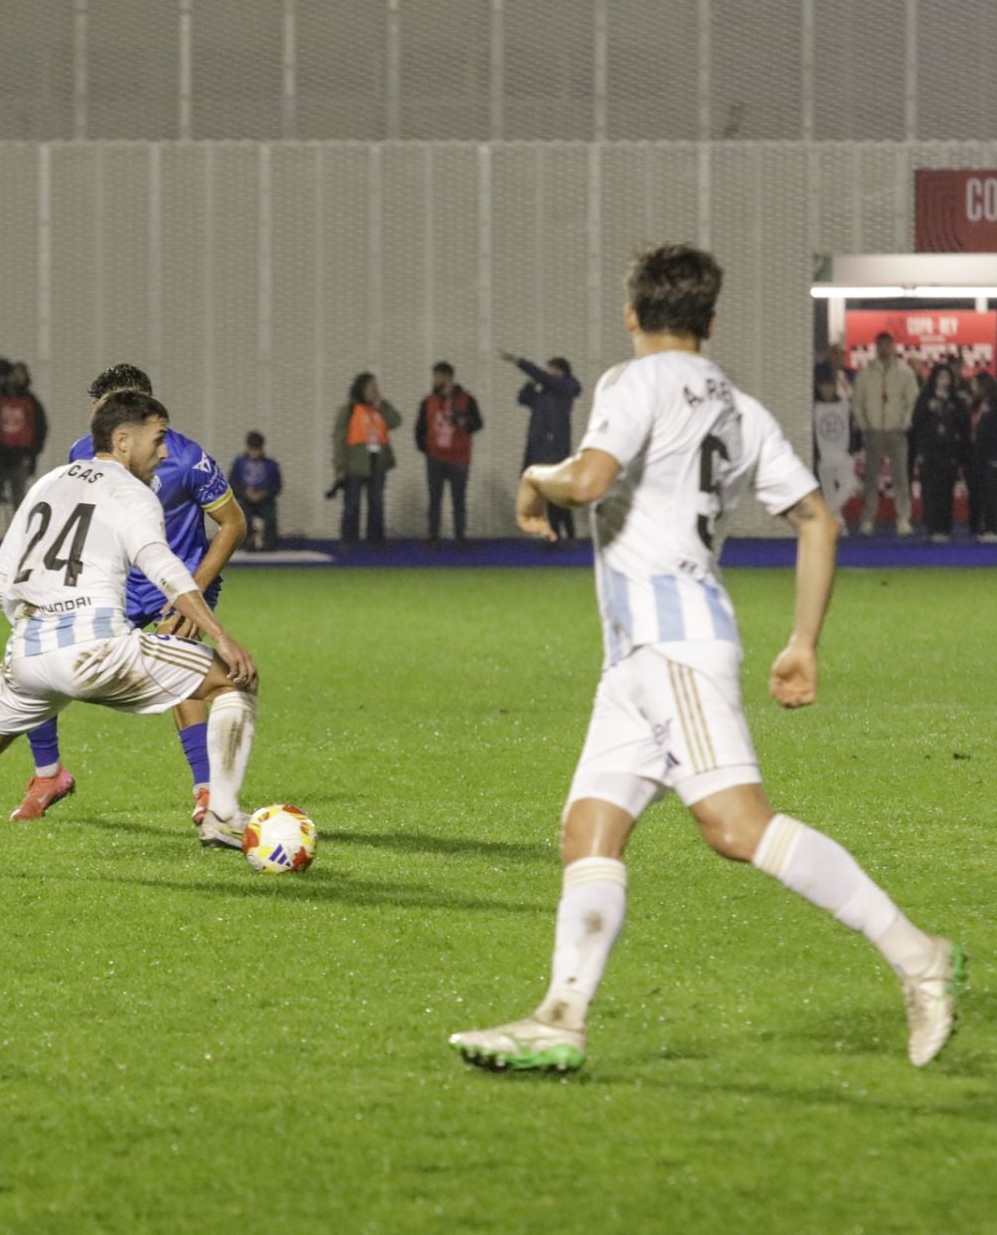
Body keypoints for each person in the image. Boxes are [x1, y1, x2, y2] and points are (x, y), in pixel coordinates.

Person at [448, 243, 961, 1074]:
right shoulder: (742, 407)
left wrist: (533, 477)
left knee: (734, 826)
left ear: (631, 315)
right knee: (589, 830)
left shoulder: (631, 382)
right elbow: (819, 522)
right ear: (711, 321)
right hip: (640, 656)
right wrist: (802, 642)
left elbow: (586, 480)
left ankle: (918, 956)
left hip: (671, 639)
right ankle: (560, 1019)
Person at [0, 390, 261, 872]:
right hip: (97, 650)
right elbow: (163, 567)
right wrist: (220, 634)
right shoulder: (134, 493)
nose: (163, 452)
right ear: (122, 440)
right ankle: (221, 813)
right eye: (157, 440)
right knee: (232, 680)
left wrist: (32, 631)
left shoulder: (49, 481)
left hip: (29, 653)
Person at [13, 365, 247, 829]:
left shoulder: (187, 459)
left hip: (174, 588)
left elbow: (234, 524)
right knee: (36, 656)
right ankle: (49, 775)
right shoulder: (83, 452)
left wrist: (193, 592)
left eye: (102, 408)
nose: (96, 418)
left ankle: (206, 793)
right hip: (112, 585)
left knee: (185, 676)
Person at [0, 361, 50, 553]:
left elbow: (40, 429)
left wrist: (33, 455)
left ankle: (20, 543)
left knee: (19, 501)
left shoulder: (31, 401)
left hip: (19, 458)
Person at [505, 351, 584, 540]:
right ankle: (555, 534)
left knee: (558, 493)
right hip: (539, 448)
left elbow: (546, 379)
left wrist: (520, 361)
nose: (546, 374)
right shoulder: (544, 393)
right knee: (546, 495)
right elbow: (523, 398)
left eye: (550, 370)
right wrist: (531, 383)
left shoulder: (566, 387)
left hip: (555, 449)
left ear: (560, 371)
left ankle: (568, 534)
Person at [852, 332, 918, 536]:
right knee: (871, 478)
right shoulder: (866, 373)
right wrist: (865, 425)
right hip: (874, 432)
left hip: (897, 431)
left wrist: (905, 423)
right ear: (876, 347)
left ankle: (903, 518)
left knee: (901, 477)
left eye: (887, 345)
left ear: (893, 346)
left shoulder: (904, 372)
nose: (884, 349)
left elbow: (913, 401)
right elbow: (857, 401)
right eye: (880, 345)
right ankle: (868, 518)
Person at [415, 361, 484, 546]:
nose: (435, 380)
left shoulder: (467, 399)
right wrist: (427, 450)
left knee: (458, 499)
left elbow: (477, 424)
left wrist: (463, 421)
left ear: (447, 378)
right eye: (434, 376)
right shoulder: (428, 401)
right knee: (434, 499)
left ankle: (460, 537)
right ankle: (433, 537)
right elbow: (420, 428)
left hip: (459, 458)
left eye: (438, 376)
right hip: (435, 458)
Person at [331, 373, 402, 545]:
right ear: (361, 390)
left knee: (377, 504)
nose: (375, 391)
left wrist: (382, 406)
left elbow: (396, 421)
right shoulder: (348, 410)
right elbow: (339, 439)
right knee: (352, 505)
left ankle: (376, 539)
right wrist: (340, 467)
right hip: (355, 464)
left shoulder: (380, 408)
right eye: (371, 388)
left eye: (376, 388)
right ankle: (349, 539)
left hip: (377, 463)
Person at [910, 364, 969, 543]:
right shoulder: (924, 398)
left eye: (947, 377)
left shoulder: (956, 400)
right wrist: (929, 408)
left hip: (949, 450)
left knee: (946, 490)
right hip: (929, 450)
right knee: (930, 490)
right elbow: (916, 422)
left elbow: (964, 425)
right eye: (940, 376)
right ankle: (932, 527)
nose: (944, 380)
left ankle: (945, 527)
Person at [965, 371, 997, 542]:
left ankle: (996, 527)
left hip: (994, 452)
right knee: (984, 491)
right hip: (980, 453)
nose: (972, 387)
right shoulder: (976, 404)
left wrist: (988, 414)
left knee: (995, 491)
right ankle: (988, 526)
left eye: (975, 384)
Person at [810, 370, 856, 527]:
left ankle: (825, 514)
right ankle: (836, 523)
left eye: (830, 386)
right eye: (824, 386)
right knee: (829, 492)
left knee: (849, 485)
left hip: (842, 453)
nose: (827, 389)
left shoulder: (844, 405)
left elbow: (852, 425)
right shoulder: (813, 407)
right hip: (823, 455)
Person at [230, 431, 283, 552]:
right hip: (245, 499)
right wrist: (244, 492)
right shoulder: (239, 463)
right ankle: (246, 543)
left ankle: (269, 545)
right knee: (243, 516)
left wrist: (264, 493)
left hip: (265, 500)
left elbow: (277, 486)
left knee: (270, 517)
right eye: (252, 449)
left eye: (257, 450)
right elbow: (232, 483)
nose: (254, 453)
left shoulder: (271, 465)